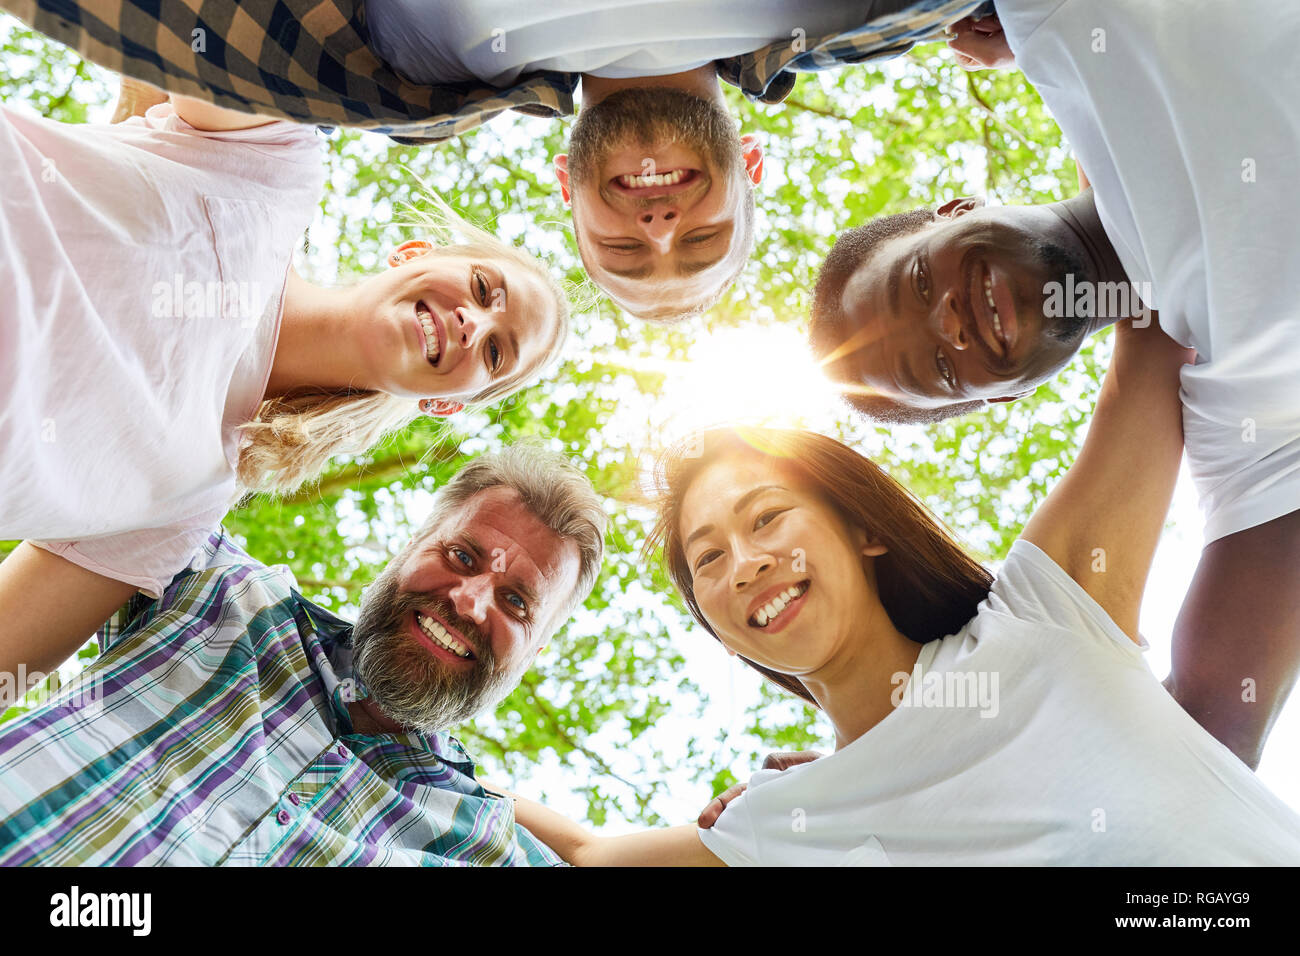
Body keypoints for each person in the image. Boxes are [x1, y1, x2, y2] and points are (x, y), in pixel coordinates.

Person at [505, 321, 1300, 865]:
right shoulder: (785, 820)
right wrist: (397, 722)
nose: (744, 562)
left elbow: (1149, 347)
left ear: (865, 531)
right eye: (707, 560)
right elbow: (586, 853)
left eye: (768, 517)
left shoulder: (1046, 613)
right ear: (723, 630)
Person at [807, 0, 1300, 770]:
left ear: (955, 209)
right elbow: (1207, 738)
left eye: (913, 280)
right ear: (1003, 397)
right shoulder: (1244, 427)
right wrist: (883, 784)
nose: (952, 321)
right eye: (939, 367)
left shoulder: (1071, 31)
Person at [0, 82, 570, 705]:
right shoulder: (274, 166)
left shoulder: (184, 508)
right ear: (413, 254)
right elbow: (184, 32)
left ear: (445, 404)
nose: (475, 323)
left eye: (495, 353)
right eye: (485, 289)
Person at [4, 0, 995, 320]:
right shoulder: (851, 19)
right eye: (700, 241)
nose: (658, 228)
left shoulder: (399, 83)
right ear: (757, 171)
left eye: (625, 250)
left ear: (566, 191)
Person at [0, 443, 606, 865]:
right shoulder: (216, 583)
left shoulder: (491, 846)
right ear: (412, 546)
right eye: (462, 557)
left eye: (517, 602)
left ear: (536, 650)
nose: (471, 604)